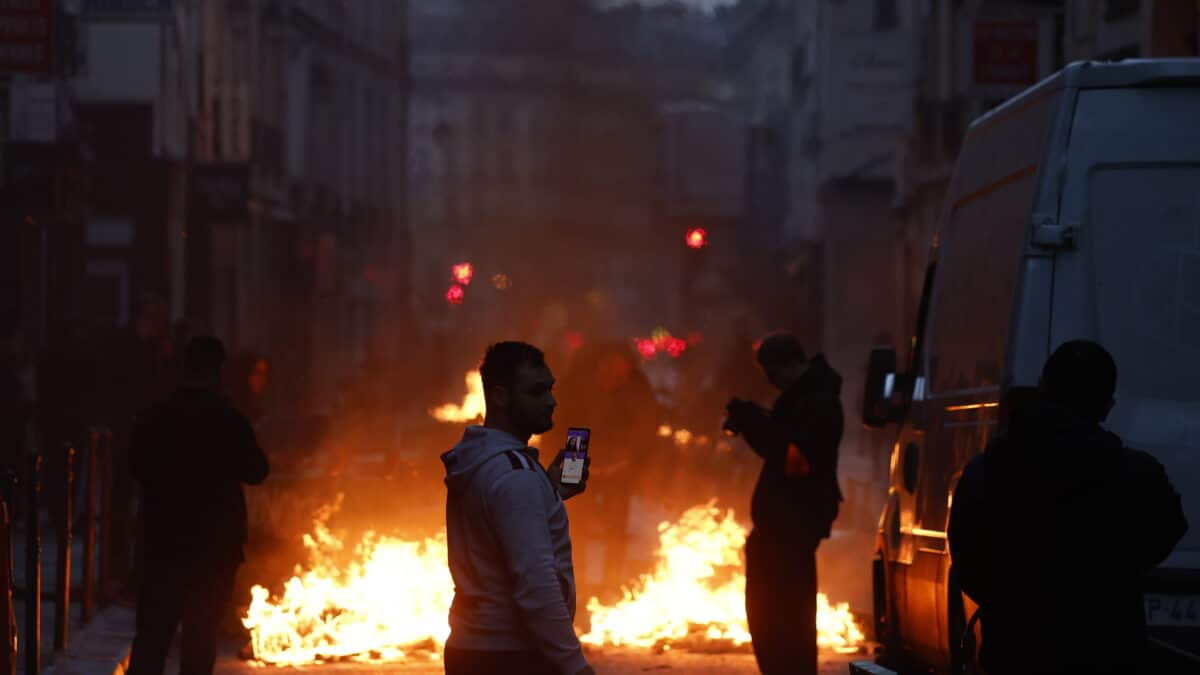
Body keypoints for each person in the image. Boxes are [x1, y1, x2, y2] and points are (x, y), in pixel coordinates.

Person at [948, 340, 1187, 675]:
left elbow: (967, 559)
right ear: (1107, 405)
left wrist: (1009, 599)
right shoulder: (1136, 474)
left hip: (1015, 651)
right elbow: (1167, 530)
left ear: (1044, 390)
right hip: (1108, 649)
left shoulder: (988, 470)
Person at [440, 342, 595, 675]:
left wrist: (549, 492)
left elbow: (496, 531)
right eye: (537, 391)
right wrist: (574, 665)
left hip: (472, 649)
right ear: (500, 396)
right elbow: (536, 582)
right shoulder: (514, 475)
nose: (551, 401)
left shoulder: (483, 462)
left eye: (550, 389)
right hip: (511, 655)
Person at [127, 336, 270, 675]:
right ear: (217, 373)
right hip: (213, 550)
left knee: (152, 639)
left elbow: (136, 466)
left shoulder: (156, 417)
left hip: (163, 544)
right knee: (200, 639)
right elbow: (257, 471)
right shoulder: (228, 420)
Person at [723, 332, 843, 675]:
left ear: (789, 366)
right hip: (780, 528)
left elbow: (795, 459)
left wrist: (753, 425)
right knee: (772, 615)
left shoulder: (818, 402)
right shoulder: (800, 399)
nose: (771, 383)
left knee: (785, 618)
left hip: (792, 529)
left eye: (772, 374)